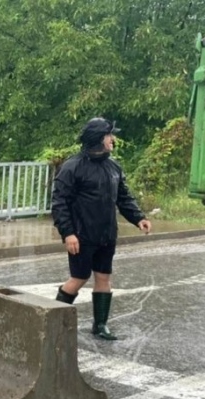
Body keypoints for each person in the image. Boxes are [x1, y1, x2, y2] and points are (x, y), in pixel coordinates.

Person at [51, 117, 151, 340]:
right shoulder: (72, 167)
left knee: (104, 277)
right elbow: (59, 202)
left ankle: (100, 325)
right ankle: (53, 322)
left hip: (106, 234)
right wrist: (68, 233)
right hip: (81, 235)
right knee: (78, 278)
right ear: (98, 139)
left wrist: (138, 218)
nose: (113, 139)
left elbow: (123, 197)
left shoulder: (113, 166)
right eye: (109, 136)